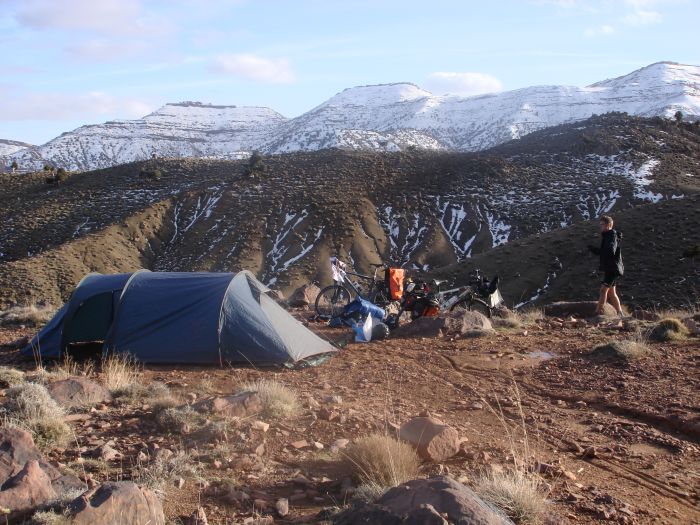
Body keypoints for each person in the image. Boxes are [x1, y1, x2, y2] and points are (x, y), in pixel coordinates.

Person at [588, 215, 625, 317]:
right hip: (612, 267)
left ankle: (598, 313)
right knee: (612, 292)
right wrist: (594, 249)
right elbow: (604, 251)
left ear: (608, 225)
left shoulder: (611, 235)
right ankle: (620, 314)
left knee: (603, 290)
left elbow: (610, 250)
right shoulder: (609, 236)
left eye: (602, 224)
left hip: (612, 268)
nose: (601, 227)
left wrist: (605, 250)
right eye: (600, 225)